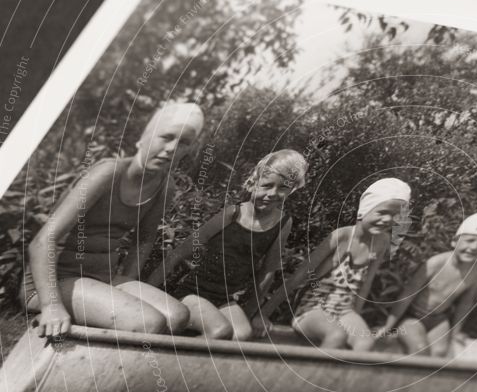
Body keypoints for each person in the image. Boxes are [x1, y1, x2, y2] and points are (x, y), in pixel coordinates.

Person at [22, 102, 205, 338]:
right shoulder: (108, 173)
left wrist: (127, 289)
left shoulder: (165, 187)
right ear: (146, 135)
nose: (171, 148)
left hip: (102, 278)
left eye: (183, 143)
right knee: (149, 323)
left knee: (178, 317)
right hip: (55, 279)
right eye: (166, 137)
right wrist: (51, 306)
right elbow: (41, 241)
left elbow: (144, 240)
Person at [147, 149, 307, 341]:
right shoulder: (233, 214)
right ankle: (178, 361)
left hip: (225, 300)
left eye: (283, 188)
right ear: (253, 183)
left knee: (242, 334)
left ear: (292, 189)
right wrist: (147, 291)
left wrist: (252, 313)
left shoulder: (283, 223)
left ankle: (204, 367)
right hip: (193, 293)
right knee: (219, 331)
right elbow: (180, 252)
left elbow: (267, 272)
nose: (272, 193)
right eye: (266, 185)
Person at [259, 177, 411, 351]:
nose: (387, 220)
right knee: (336, 335)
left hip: (345, 311)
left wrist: (356, 317)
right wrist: (263, 314)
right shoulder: (342, 237)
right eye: (382, 212)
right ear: (366, 208)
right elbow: (299, 277)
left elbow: (366, 284)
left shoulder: (381, 242)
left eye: (394, 215)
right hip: (313, 309)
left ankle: (343, 378)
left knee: (365, 343)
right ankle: (312, 378)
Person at [376, 211, 477, 357]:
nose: (474, 247)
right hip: (412, 318)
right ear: (455, 241)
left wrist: (455, 333)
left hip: (439, 320)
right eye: (470, 240)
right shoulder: (436, 264)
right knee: (420, 349)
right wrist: (388, 326)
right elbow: (407, 295)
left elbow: (465, 303)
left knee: (440, 353)